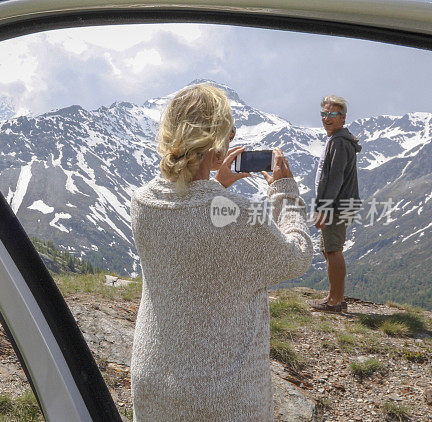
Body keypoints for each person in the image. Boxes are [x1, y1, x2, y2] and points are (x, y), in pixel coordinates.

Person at [129, 83, 312, 421]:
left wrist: (217, 185)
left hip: (152, 381)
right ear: (216, 144)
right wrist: (285, 194)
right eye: (230, 132)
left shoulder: (142, 203)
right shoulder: (239, 215)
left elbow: (189, 222)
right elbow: (296, 255)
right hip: (220, 396)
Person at [308, 95, 362, 313]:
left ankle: (336, 302)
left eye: (332, 114)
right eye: (324, 114)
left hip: (337, 205)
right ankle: (334, 297)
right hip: (339, 203)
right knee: (328, 249)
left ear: (343, 118)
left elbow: (335, 178)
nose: (326, 118)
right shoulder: (337, 139)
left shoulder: (339, 142)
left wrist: (324, 208)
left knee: (333, 250)